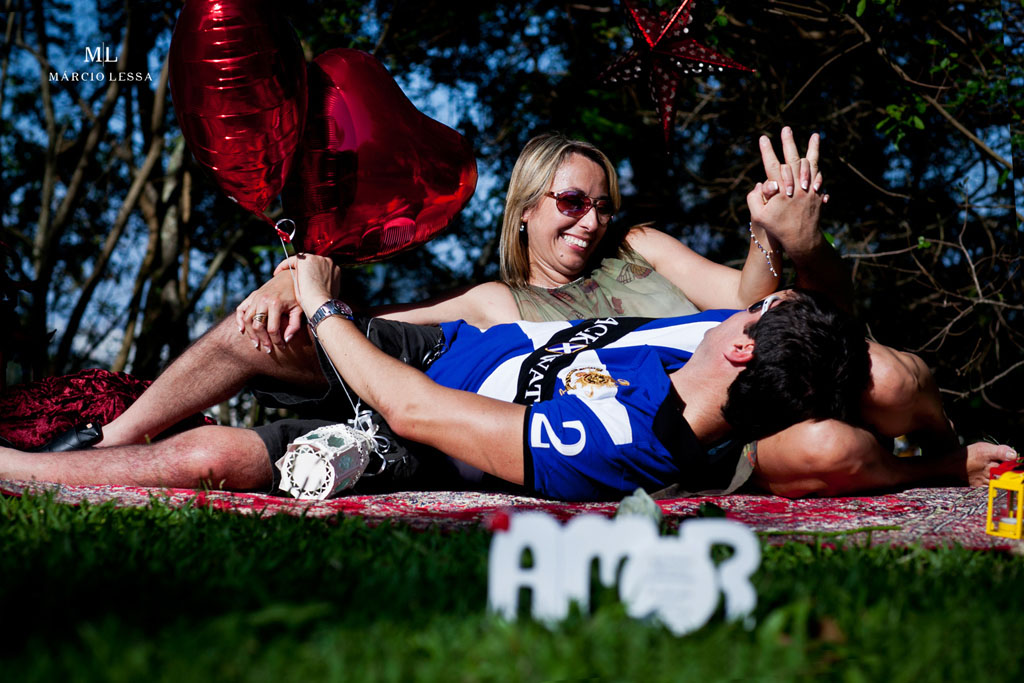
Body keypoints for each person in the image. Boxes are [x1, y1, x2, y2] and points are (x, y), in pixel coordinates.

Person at [0, 275, 869, 499]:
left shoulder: (625, 444)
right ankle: (106, 444)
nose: (737, 306)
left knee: (213, 456)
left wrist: (326, 300)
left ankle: (19, 472)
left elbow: (412, 410)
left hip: (417, 428)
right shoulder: (712, 342)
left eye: (754, 308)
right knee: (256, 328)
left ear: (745, 351)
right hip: (450, 343)